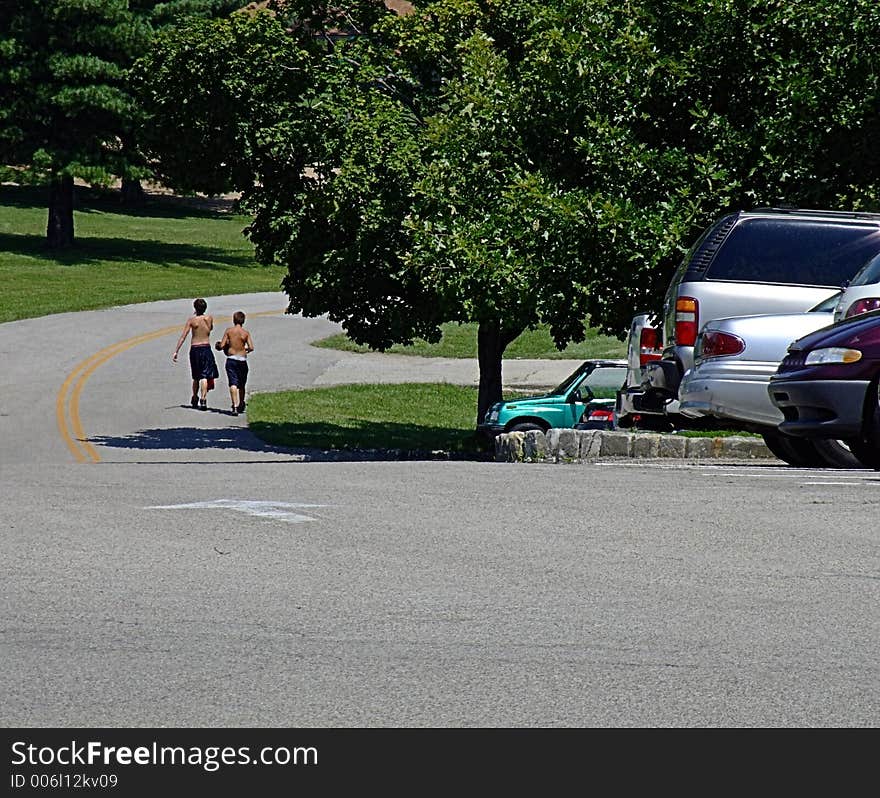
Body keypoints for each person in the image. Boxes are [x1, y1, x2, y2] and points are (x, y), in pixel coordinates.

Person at [172, 298, 219, 410]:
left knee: (196, 376)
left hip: (195, 348)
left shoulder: (192, 321)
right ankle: (203, 399)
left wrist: (176, 350)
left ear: (195, 308)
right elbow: (210, 329)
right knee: (205, 376)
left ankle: (195, 396)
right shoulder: (209, 318)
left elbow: (183, 336)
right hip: (206, 347)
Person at [215, 310, 254, 416]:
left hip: (231, 359)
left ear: (233, 320)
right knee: (241, 384)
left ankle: (234, 406)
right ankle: (241, 403)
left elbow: (222, 345)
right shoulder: (245, 333)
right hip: (242, 360)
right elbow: (251, 347)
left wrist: (219, 345)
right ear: (243, 321)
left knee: (233, 383)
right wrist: (245, 350)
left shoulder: (229, 331)